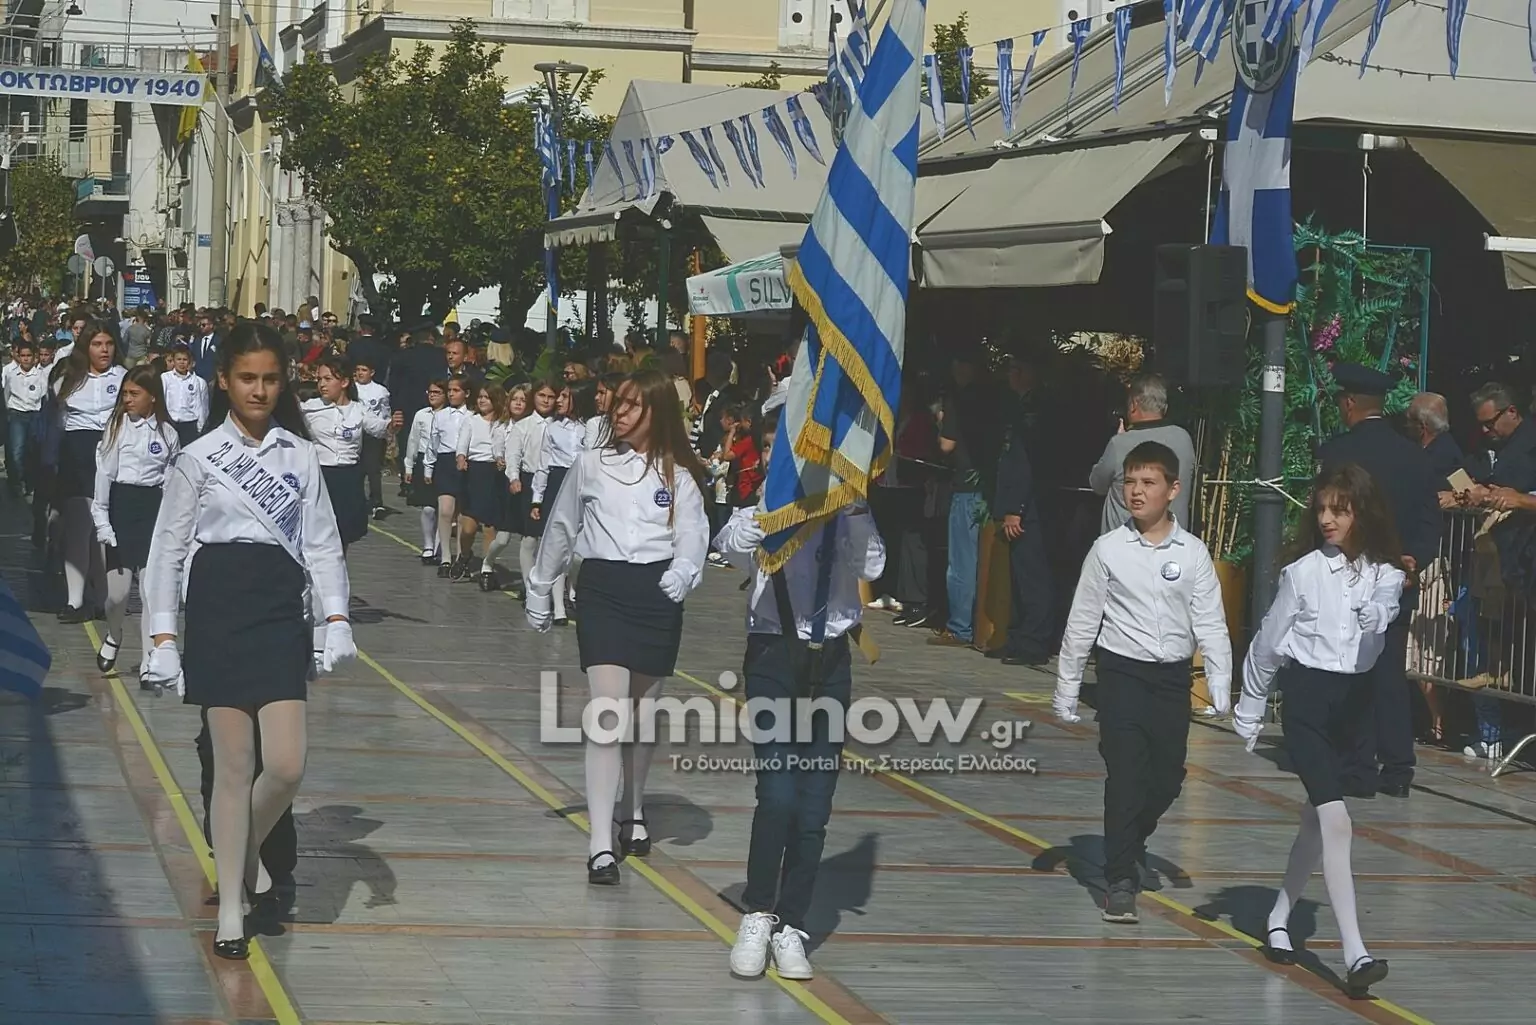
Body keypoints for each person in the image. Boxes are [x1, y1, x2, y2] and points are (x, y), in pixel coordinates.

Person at [140, 322, 354, 960]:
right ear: (224, 381)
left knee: (285, 764)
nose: (259, 390)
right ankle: (231, 907)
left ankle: (244, 848)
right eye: (247, 378)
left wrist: (337, 617)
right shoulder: (198, 456)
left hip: (278, 608)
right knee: (232, 766)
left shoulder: (301, 454)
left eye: (270, 379)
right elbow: (167, 551)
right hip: (219, 606)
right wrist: (162, 635)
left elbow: (322, 543)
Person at [525, 369, 709, 886]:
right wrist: (540, 585)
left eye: (632, 406)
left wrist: (685, 570)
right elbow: (562, 527)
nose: (619, 413)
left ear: (657, 412)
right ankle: (601, 842)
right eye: (617, 404)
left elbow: (694, 531)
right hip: (603, 588)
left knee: (642, 716)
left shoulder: (680, 474)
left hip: (656, 592)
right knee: (608, 712)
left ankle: (634, 807)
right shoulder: (591, 464)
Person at [719, 412, 885, 983]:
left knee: (814, 807)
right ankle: (757, 912)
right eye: (770, 449)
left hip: (829, 660)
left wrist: (853, 507)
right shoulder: (760, 510)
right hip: (773, 657)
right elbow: (730, 548)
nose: (779, 457)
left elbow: (872, 565)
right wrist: (766, 514)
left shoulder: (843, 512)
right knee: (779, 796)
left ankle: (792, 924)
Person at [1235, 464, 1403, 996]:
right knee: (1337, 823)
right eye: (1322, 509)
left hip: (1355, 707)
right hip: (1307, 701)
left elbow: (1387, 601)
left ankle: (1278, 918)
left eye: (1340, 510)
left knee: (1316, 823)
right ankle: (1356, 954)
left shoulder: (1385, 572)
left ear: (1362, 513)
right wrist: (1250, 707)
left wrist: (1378, 614)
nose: (1327, 519)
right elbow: (1268, 642)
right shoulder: (1302, 573)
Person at [1053, 440, 1231, 924]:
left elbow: (1211, 622)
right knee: (1126, 775)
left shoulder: (1193, 553)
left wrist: (1220, 684)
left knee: (1167, 777)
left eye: (1148, 482)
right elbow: (1082, 622)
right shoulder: (1107, 550)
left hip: (1171, 679)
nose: (1136, 491)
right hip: (1121, 675)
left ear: (1173, 490)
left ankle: (1131, 843)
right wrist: (1067, 688)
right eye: (1129, 482)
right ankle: (1119, 880)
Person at [1316, 363, 1441, 799]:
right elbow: (1430, 520)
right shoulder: (1415, 455)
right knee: (1389, 673)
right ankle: (1398, 766)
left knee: (1351, 671)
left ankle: (1357, 765)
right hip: (1396, 579)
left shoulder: (1337, 454)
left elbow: (1324, 521)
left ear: (1349, 402)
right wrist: (1413, 562)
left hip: (1346, 578)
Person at [89, 364, 180, 684]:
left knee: (148, 591)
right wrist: (102, 520)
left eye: (134, 393)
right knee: (117, 594)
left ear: (152, 397)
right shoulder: (116, 428)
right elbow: (104, 474)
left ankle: (148, 660)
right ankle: (114, 634)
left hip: (152, 509)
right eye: (125, 393)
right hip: (122, 507)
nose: (127, 399)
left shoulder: (168, 434)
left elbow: (171, 482)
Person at [53, 322, 126, 623]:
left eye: (109, 344)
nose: (104, 350)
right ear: (86, 347)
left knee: (102, 530)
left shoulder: (122, 377)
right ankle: (74, 601)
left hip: (111, 450)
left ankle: (102, 598)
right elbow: (57, 421)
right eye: (97, 344)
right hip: (76, 452)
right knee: (79, 526)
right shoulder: (68, 378)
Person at [989, 357, 1053, 665]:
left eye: (1016, 369)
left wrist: (1016, 507)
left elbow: (1027, 463)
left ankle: (1034, 642)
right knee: (1016, 577)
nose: (1011, 375)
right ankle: (1015, 637)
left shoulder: (1037, 409)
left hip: (1031, 508)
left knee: (1033, 578)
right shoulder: (1017, 405)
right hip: (1015, 502)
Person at [930, 350, 995, 648]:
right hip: (987, 484)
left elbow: (946, 444)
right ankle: (983, 622)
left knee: (961, 562)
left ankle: (960, 626)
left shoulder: (959, 401)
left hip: (966, 485)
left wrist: (940, 422)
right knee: (984, 559)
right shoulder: (993, 398)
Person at [1088, 374, 1196, 536]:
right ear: (1165, 408)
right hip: (1173, 541)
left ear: (1133, 405)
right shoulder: (1184, 438)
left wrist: (1120, 438)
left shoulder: (1120, 444)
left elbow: (1097, 484)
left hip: (1124, 544)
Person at [529, 379, 598, 622]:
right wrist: (537, 499)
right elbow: (543, 465)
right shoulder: (552, 428)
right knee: (560, 544)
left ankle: (573, 589)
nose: (558, 401)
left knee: (579, 549)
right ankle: (558, 606)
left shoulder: (591, 427)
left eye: (565, 397)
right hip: (558, 481)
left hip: (583, 481)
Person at [452, 382, 510, 587]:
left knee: (489, 526)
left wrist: (502, 460)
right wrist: (461, 457)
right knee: (468, 527)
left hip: (494, 474)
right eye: (480, 397)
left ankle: (487, 567)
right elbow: (462, 443)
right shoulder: (471, 420)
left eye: (487, 397)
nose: (482, 400)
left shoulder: (503, 424)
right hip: (474, 473)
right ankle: (464, 555)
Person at [508, 380, 556, 601]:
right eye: (541, 396)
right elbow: (513, 454)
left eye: (550, 397)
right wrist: (514, 477)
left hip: (554, 481)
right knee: (530, 537)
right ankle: (528, 585)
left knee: (552, 538)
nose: (546, 401)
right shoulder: (524, 425)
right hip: (530, 480)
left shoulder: (560, 425)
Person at [423, 377, 472, 577]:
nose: (451, 394)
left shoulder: (472, 416)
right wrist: (428, 467)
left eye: (456, 390)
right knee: (445, 510)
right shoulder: (441, 416)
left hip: (466, 462)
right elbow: (433, 443)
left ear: (466, 393)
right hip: (445, 462)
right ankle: (445, 556)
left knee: (461, 514)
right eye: (449, 390)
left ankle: (461, 557)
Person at [402, 381, 448, 563]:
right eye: (430, 392)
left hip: (443, 461)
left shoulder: (451, 415)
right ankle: (428, 545)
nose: (432, 395)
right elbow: (413, 440)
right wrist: (409, 465)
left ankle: (439, 547)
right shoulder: (421, 415)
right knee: (428, 508)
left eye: (437, 392)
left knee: (443, 509)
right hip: (423, 460)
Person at [3, 341, 46, 495]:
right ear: (18, 357)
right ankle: (17, 481)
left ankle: (30, 482)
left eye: (29, 355)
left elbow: (43, 395)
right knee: (17, 451)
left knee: (32, 451)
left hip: (34, 415)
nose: (26, 359)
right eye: (23, 356)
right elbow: (6, 394)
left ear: (34, 357)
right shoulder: (11, 374)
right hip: (17, 415)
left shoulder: (41, 375)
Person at [353, 356, 392, 519]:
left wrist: (386, 432)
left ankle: (377, 502)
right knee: (357, 469)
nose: (360, 373)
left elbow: (385, 413)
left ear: (372, 372)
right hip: (355, 433)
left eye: (364, 370)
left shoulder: (380, 391)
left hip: (373, 435)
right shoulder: (351, 388)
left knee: (373, 469)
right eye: (358, 370)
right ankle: (357, 501)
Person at [161, 344, 210, 446]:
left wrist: (199, 427)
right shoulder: (165, 378)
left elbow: (200, 406)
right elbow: (162, 400)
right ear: (173, 360)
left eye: (185, 359)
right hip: (170, 422)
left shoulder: (198, 381)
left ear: (189, 362)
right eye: (178, 359)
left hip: (189, 424)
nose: (181, 362)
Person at [190, 312, 220, 381]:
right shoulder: (197, 340)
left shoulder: (218, 341)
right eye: (200, 325)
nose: (201, 327)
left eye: (203, 325)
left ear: (211, 325)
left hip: (212, 378)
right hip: (197, 377)